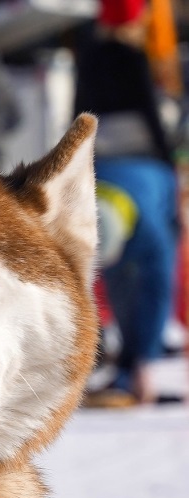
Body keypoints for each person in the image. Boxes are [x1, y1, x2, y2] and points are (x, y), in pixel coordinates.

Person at [74, 0, 180, 406]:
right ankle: (140, 364)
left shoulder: (88, 57)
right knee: (155, 266)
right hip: (145, 169)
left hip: (103, 169)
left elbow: (79, 116)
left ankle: (125, 367)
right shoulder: (135, 57)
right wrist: (169, 162)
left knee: (116, 266)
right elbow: (151, 113)